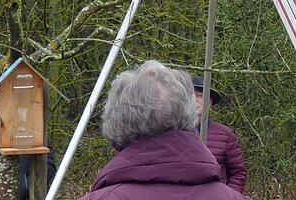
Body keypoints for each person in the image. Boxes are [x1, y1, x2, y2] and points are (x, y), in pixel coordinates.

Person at [78, 60, 248, 200]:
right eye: (196, 95)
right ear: (188, 117)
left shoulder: (225, 134)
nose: (200, 101)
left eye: (203, 97)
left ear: (115, 130)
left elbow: (237, 170)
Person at [0, 88, 57, 199]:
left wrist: (28, 186)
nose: (6, 101)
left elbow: (47, 163)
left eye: (10, 97)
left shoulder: (33, 131)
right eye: (0, 98)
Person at [193, 76, 248, 193]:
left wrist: (228, 196)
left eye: (200, 96)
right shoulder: (175, 133)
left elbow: (238, 172)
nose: (195, 100)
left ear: (209, 102)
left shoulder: (225, 135)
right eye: (191, 95)